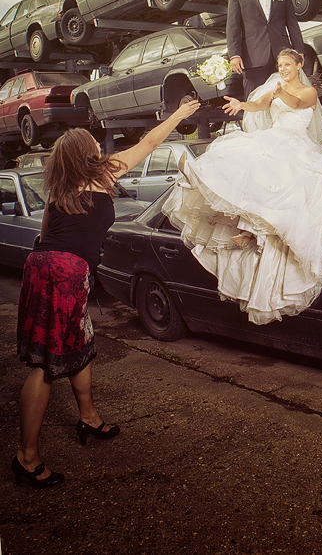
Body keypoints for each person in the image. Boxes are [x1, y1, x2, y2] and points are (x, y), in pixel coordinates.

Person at [13, 98, 199, 489]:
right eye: (95, 144)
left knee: (81, 343)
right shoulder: (102, 175)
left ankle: (89, 417)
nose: (101, 147)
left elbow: (45, 237)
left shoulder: (58, 189)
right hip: (65, 271)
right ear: (88, 153)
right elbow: (149, 143)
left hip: (43, 265)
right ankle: (26, 458)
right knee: (46, 365)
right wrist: (180, 115)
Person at [163, 49, 322, 325]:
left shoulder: (308, 92)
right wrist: (242, 105)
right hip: (274, 136)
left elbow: (295, 104)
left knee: (277, 184)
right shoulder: (277, 87)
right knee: (243, 161)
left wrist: (277, 91)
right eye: (279, 65)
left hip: (295, 145)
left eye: (287, 65)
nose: (282, 69)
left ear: (299, 65)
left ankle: (253, 231)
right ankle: (199, 175)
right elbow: (260, 106)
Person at [226, 0, 305, 98]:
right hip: (253, 57)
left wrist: (299, 50)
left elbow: (292, 24)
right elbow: (233, 26)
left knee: (284, 99)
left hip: (282, 56)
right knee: (255, 100)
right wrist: (234, 54)